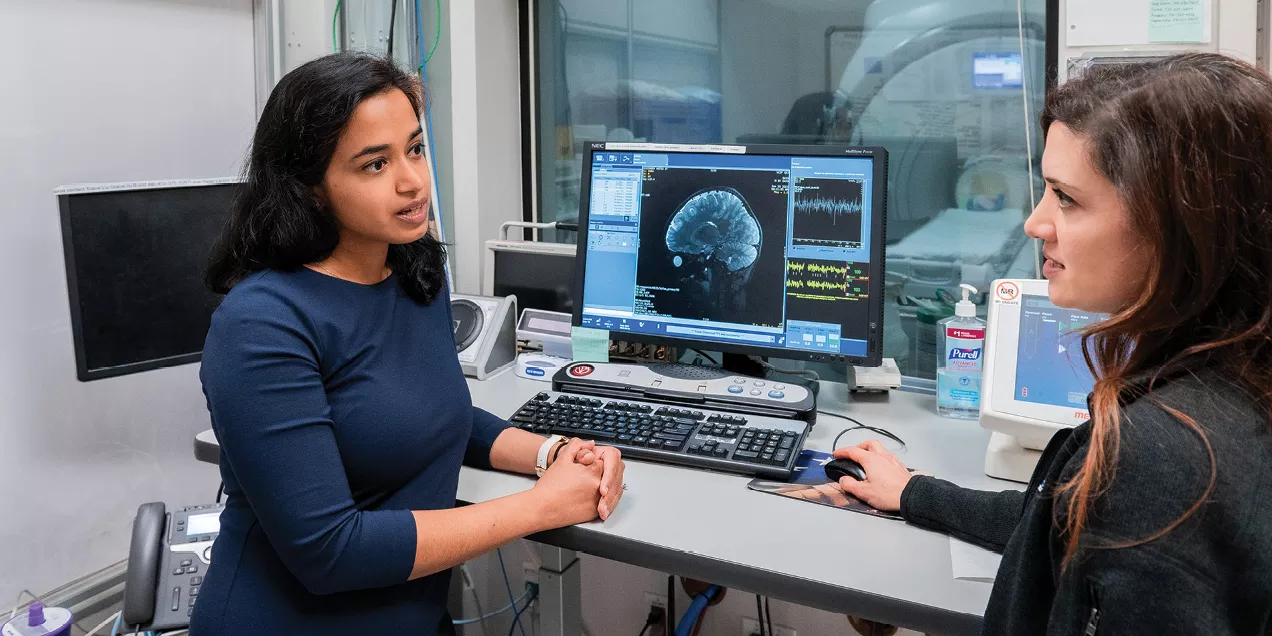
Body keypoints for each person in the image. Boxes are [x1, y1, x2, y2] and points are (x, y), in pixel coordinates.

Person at [836, 53, 1272, 634]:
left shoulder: (1169, 456)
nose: (1035, 223)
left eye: (1066, 197)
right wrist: (916, 492)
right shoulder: (1236, 388)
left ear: (1175, 224)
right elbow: (1060, 510)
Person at [192, 52, 625, 635]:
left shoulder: (412, 271)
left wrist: (555, 454)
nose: (413, 181)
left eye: (415, 149)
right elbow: (330, 550)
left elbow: (433, 410)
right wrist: (544, 505)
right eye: (374, 165)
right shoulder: (262, 324)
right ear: (309, 188)